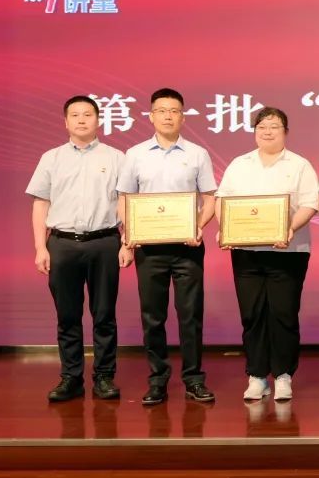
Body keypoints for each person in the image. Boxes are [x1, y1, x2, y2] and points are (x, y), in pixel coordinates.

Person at [26, 95, 133, 402]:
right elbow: (40, 203)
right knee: (67, 315)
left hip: (105, 242)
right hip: (62, 244)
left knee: (104, 314)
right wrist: (40, 247)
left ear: (98, 120)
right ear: (66, 122)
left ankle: (104, 376)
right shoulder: (52, 158)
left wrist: (127, 242)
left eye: (88, 114)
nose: (82, 119)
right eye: (75, 115)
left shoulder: (116, 158)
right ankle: (71, 377)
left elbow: (126, 203)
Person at [118, 88, 217, 406]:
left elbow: (210, 199)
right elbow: (124, 199)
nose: (168, 116)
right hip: (149, 248)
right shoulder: (135, 154)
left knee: (191, 315)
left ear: (183, 117)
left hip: (188, 246)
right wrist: (129, 235)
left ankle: (194, 379)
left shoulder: (198, 153)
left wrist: (198, 227)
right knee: (153, 316)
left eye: (174, 111)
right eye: (162, 111)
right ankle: (157, 380)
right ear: (151, 116)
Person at [216, 107, 318, 401]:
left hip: (288, 251)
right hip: (246, 251)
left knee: (283, 313)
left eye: (274, 126)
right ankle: (257, 375)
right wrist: (226, 228)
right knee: (252, 314)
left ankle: (283, 375)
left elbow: (310, 204)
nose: (268, 131)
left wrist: (289, 228)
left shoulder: (299, 165)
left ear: (285, 131)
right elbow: (223, 200)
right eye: (262, 126)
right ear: (255, 131)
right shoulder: (240, 164)